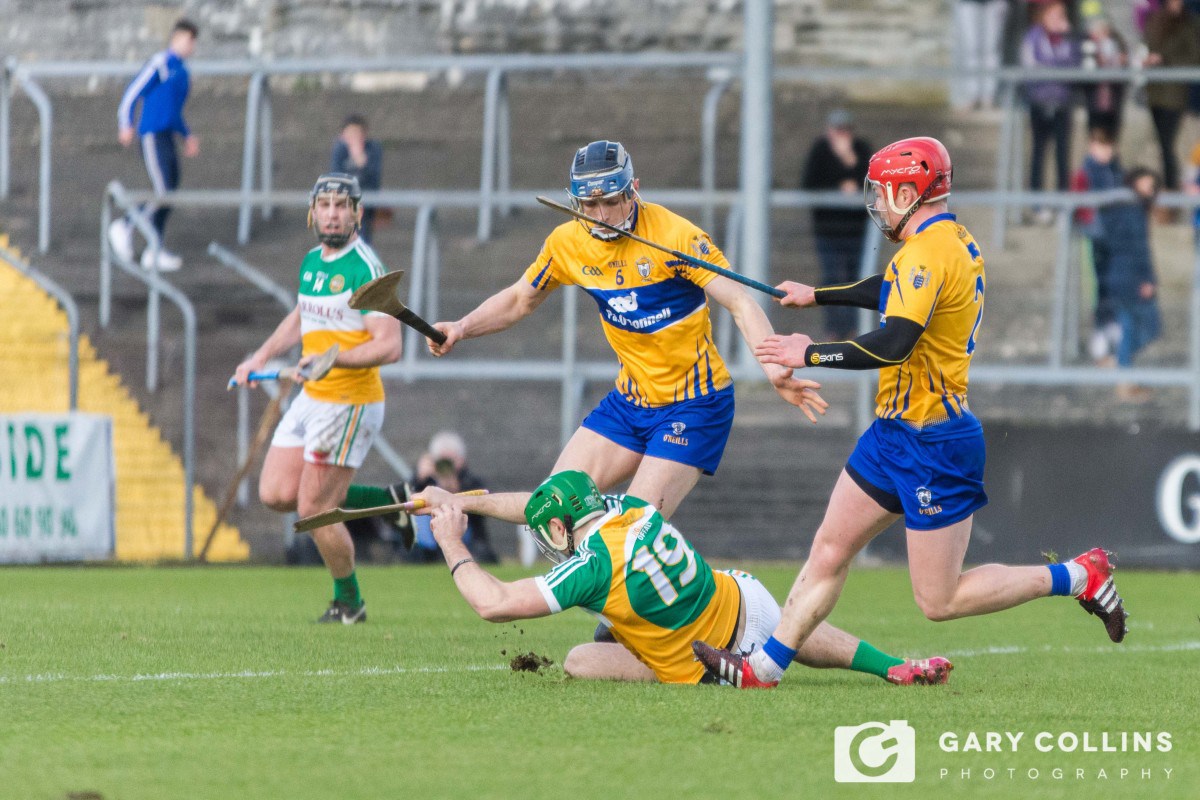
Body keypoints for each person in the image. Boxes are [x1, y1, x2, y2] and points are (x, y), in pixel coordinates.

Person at [692, 137, 1128, 689]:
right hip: (891, 434)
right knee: (830, 547)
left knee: (939, 600)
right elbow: (893, 289)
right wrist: (818, 296)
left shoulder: (926, 252)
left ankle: (1076, 576)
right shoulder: (947, 240)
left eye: (883, 193)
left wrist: (810, 353)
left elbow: (894, 342)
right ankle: (763, 670)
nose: (877, 205)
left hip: (935, 442)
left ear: (909, 190)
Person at [423, 140, 827, 522]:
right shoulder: (567, 243)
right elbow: (519, 300)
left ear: (633, 190)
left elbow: (740, 303)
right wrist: (461, 327)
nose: (599, 216)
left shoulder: (676, 237)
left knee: (634, 535)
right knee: (554, 509)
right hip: (630, 403)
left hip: (695, 405)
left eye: (611, 202)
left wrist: (773, 367)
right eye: (589, 203)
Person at [418, 470, 952, 685]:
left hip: (705, 661)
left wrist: (451, 541)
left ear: (561, 526)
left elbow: (494, 603)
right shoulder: (627, 505)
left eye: (547, 531)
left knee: (582, 657)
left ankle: (731, 673)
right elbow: (532, 505)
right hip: (750, 599)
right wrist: (461, 499)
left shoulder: (591, 567)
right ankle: (893, 668)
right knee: (782, 623)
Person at [232, 173, 402, 624]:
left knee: (314, 509)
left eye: (342, 205)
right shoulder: (311, 262)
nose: (332, 213)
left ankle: (350, 602)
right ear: (312, 212)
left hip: (350, 399)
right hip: (313, 396)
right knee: (274, 493)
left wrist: (335, 361)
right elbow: (301, 315)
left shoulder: (366, 268)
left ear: (358, 214)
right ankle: (384, 499)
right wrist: (261, 356)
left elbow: (390, 344)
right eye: (324, 204)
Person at [109, 18, 200, 273]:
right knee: (161, 189)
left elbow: (172, 111)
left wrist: (187, 135)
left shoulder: (182, 72)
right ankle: (125, 225)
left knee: (169, 191)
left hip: (167, 135)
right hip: (151, 135)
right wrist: (126, 123)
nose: (191, 45)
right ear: (177, 38)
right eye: (188, 39)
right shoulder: (161, 63)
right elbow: (132, 92)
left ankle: (155, 248)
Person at [800, 109, 874, 340]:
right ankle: (834, 328)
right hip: (828, 229)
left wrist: (849, 160)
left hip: (856, 230)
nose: (841, 135)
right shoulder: (820, 151)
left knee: (856, 278)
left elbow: (871, 180)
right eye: (837, 130)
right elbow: (810, 183)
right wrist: (840, 184)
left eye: (845, 130)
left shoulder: (861, 150)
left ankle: (853, 328)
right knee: (831, 277)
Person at [1021, 0, 1080, 225]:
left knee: (1063, 155)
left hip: (1063, 104)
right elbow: (1031, 66)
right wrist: (1057, 68)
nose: (1058, 20)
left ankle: (1062, 205)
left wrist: (1053, 67)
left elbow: (1075, 65)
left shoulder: (1070, 39)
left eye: (1061, 15)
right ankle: (1038, 204)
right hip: (1039, 102)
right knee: (1038, 153)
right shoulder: (1033, 37)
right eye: (1054, 15)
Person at [409, 430, 497, 563]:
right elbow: (408, 499)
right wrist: (420, 477)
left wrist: (455, 489)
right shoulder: (425, 481)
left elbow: (484, 506)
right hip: (428, 541)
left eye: (450, 461)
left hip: (468, 536)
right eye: (441, 461)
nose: (446, 467)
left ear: (461, 460)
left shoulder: (470, 481)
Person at [1143, 0, 1200, 194]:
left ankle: (1171, 191)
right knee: (1162, 144)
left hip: (1175, 94)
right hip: (1155, 91)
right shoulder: (1155, 20)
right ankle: (1166, 191)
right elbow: (1147, 45)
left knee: (1168, 145)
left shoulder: (1190, 23)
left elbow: (1194, 57)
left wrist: (1165, 60)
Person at [329, 115, 383, 245]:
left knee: (362, 237)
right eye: (349, 134)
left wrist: (363, 165)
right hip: (343, 204)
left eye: (357, 133)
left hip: (365, 205)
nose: (353, 138)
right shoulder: (340, 149)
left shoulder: (373, 149)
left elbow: (375, 180)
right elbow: (336, 179)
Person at [952, 0, 1011, 111]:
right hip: (968, 3)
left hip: (995, 3)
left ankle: (989, 97)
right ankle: (972, 95)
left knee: (992, 48)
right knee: (971, 48)